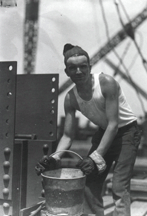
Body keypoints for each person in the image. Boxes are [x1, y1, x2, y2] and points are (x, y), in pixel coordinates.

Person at [35, 43, 141, 216]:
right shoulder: (70, 98)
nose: (78, 71)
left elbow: (114, 124)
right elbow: (68, 136)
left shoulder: (106, 83)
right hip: (104, 132)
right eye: (73, 68)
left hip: (126, 133)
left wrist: (94, 158)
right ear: (67, 72)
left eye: (83, 67)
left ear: (90, 67)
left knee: (119, 185)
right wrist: (53, 158)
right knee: (89, 181)